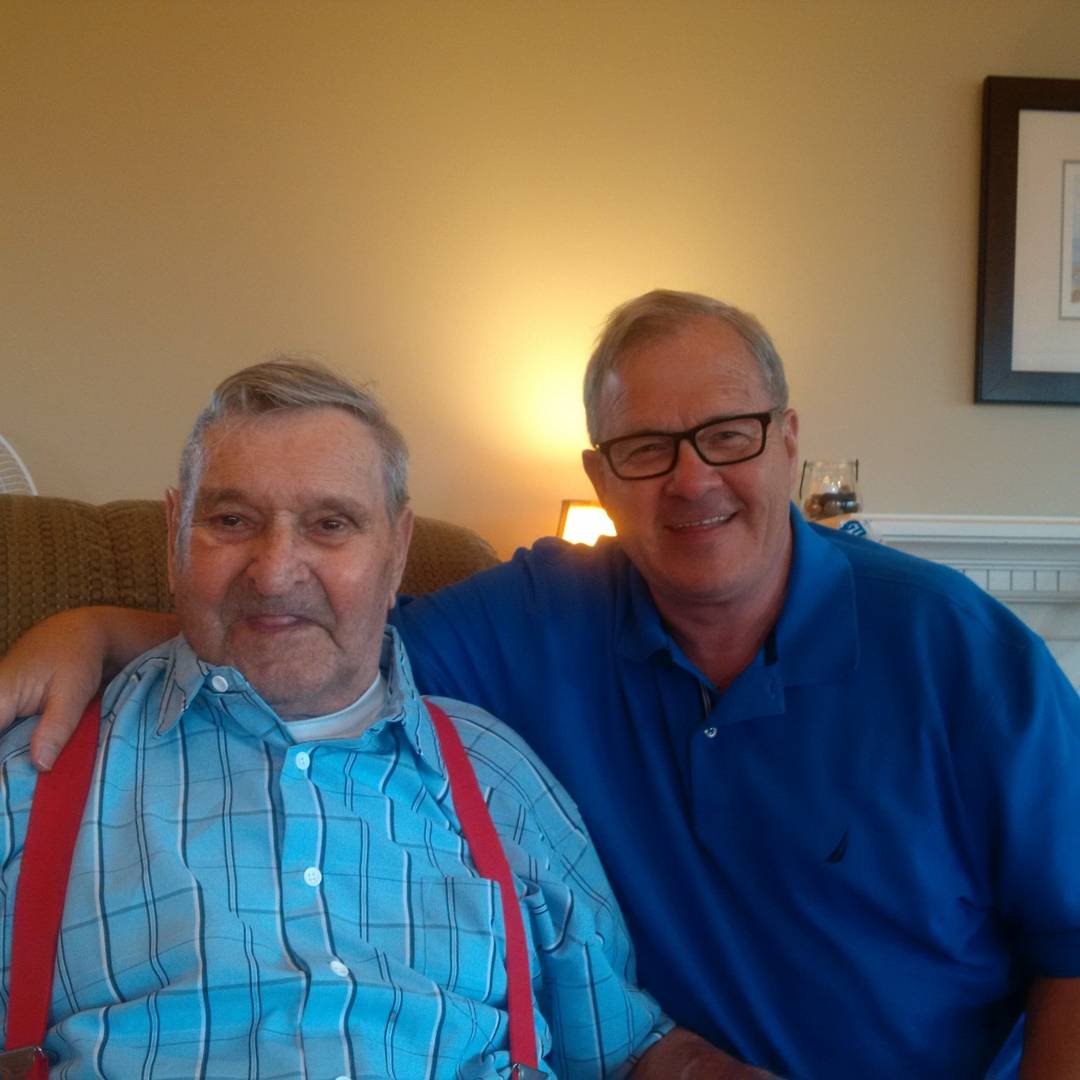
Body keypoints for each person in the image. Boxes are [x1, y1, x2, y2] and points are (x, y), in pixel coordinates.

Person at [2, 291, 1078, 1078]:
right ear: (600, 476)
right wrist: (96, 631)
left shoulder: (951, 645)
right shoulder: (40, 768)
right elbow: (312, 648)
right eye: (233, 520)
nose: (693, 478)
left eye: (728, 435)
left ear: (788, 442)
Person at [0, 359, 756, 1078]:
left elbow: (629, 1049)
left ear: (397, 551)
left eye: (330, 525)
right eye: (231, 520)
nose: (276, 572)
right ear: (176, 533)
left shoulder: (499, 776)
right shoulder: (36, 769)